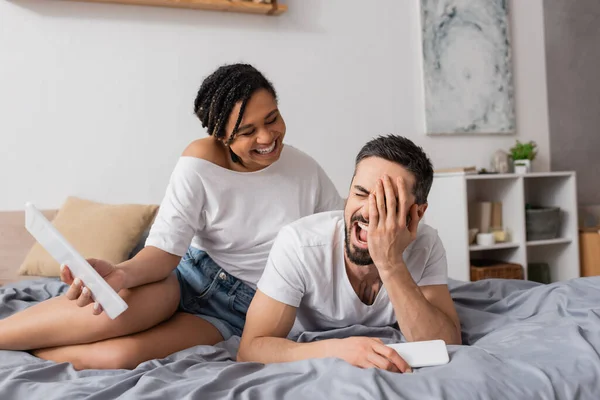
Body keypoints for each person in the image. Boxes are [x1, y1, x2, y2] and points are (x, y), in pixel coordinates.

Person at [0, 63, 343, 370]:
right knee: (105, 320)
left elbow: (335, 247)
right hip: (185, 279)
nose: (267, 137)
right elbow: (164, 252)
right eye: (246, 131)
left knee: (116, 358)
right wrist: (120, 274)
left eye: (272, 119)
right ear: (221, 134)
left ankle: (28, 348)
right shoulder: (201, 162)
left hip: (242, 311)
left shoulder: (305, 170)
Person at [237, 135, 461, 373]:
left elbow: (446, 344)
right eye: (361, 194)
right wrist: (339, 350)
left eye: (388, 204)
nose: (367, 213)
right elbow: (250, 348)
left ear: (417, 213)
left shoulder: (426, 244)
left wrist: (390, 263)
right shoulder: (299, 244)